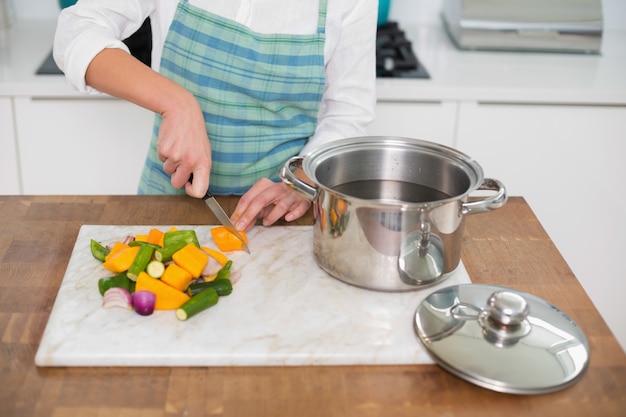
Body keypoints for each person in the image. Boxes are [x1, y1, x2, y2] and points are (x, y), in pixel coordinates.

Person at [54, 0, 377, 231]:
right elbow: (76, 32)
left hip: (278, 220)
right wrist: (177, 103)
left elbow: (349, 111)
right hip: (166, 205)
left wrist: (303, 179)